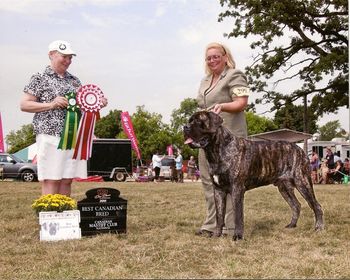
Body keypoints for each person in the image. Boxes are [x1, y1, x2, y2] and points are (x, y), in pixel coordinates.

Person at [20, 40, 108, 196]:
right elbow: (24, 104)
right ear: (51, 55)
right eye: (64, 57)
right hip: (49, 134)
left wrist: (97, 104)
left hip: (72, 137)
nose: (68, 61)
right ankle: (50, 214)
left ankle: (65, 215)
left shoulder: (74, 80)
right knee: (51, 178)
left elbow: (83, 106)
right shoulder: (39, 78)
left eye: (70, 58)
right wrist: (51, 104)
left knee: (67, 179)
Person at [195, 42, 250, 237]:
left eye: (216, 56)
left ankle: (231, 226)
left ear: (225, 57)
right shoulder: (205, 80)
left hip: (230, 140)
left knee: (232, 184)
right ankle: (211, 225)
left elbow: (242, 103)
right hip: (208, 140)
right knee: (209, 181)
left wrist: (223, 106)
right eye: (209, 58)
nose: (212, 61)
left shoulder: (234, 75)